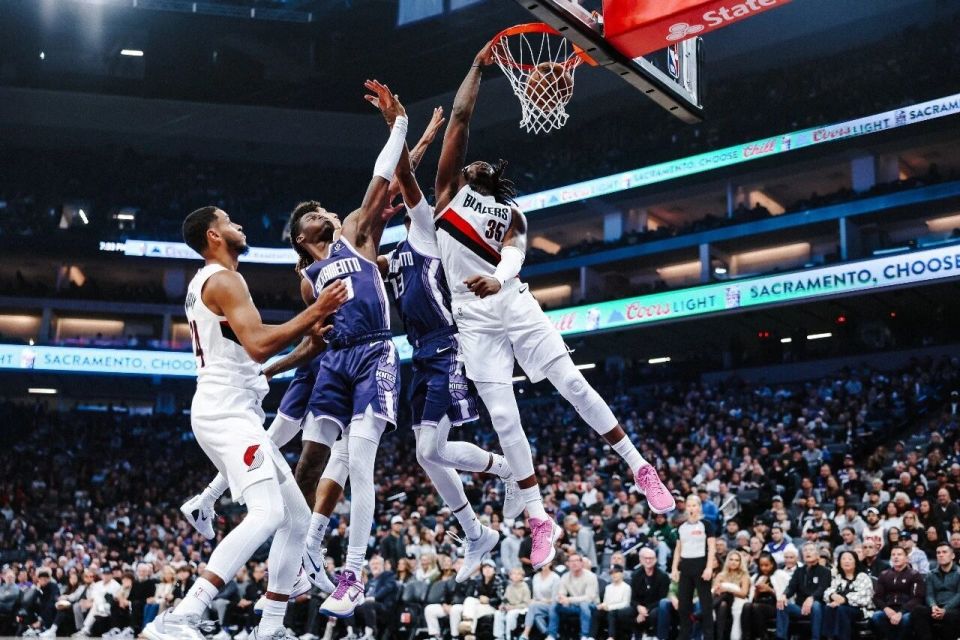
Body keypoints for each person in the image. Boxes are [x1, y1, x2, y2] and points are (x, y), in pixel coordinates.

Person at [432, 41, 675, 569]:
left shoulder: (513, 214)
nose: (473, 160)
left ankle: (639, 467)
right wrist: (476, 66)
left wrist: (498, 279)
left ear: (493, 177)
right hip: (471, 317)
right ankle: (540, 517)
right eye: (469, 160)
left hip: (512, 301)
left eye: (481, 163)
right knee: (504, 418)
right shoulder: (446, 196)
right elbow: (461, 119)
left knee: (573, 384)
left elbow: (515, 255)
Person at [142, 203, 347, 639]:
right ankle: (185, 613)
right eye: (228, 221)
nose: (239, 224)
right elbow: (258, 345)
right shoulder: (224, 279)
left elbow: (254, 349)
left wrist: (306, 347)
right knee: (268, 512)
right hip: (226, 411)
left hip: (233, 409)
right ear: (213, 236)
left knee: (296, 518)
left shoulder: (210, 282)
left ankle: (270, 626)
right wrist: (317, 310)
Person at [282, 81, 411, 619]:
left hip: (375, 353)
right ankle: (297, 553)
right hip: (335, 362)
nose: (324, 211)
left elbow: (382, 177)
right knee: (308, 462)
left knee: (358, 459)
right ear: (301, 235)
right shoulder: (308, 280)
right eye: (313, 212)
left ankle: (353, 572)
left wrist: (399, 125)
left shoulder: (356, 232)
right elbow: (313, 336)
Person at [381, 113, 523, 582]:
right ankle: (476, 533)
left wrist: (402, 128)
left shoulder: (427, 229)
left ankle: (506, 468)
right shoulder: (395, 254)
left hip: (448, 345)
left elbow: (404, 176)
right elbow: (365, 258)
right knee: (427, 454)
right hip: (420, 352)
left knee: (430, 447)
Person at [672, 494, 717, 640]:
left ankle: (708, 636)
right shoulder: (681, 527)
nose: (691, 508)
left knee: (706, 604)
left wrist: (709, 568)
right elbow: (678, 549)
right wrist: (674, 568)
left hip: (701, 565)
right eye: (689, 505)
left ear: (699, 507)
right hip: (685, 566)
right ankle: (684, 636)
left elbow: (712, 548)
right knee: (684, 605)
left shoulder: (706, 525)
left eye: (694, 505)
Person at [776, 542, 830, 640]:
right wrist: (784, 595)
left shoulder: (825, 571)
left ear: (817, 554)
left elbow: (822, 589)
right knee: (782, 604)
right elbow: (791, 587)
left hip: (817, 608)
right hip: (800, 608)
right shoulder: (799, 571)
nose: (807, 552)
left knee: (816, 605)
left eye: (811, 550)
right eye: (805, 550)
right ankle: (781, 638)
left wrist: (812, 598)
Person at [870, 546, 925, 640]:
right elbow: (877, 597)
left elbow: (917, 598)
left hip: (906, 610)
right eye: (893, 555)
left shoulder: (914, 575)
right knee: (876, 616)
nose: (896, 557)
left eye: (899, 554)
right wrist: (886, 608)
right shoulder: (884, 574)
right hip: (888, 609)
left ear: (907, 558)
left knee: (906, 619)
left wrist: (901, 612)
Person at [822, 550, 874, 640]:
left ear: (855, 562)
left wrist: (844, 600)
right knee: (829, 608)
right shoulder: (838, 577)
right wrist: (832, 596)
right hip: (840, 608)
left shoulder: (863, 577)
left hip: (859, 610)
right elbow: (827, 593)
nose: (846, 561)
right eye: (843, 559)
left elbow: (864, 597)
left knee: (841, 610)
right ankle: (829, 637)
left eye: (850, 559)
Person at [912, 542, 960, 640]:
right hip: (936, 608)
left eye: (944, 552)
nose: (941, 555)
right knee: (918, 611)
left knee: (951, 616)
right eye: (938, 553)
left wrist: (945, 609)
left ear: (952, 556)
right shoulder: (931, 574)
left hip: (954, 608)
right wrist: (933, 606)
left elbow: (959, 595)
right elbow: (929, 594)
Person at [546, 554, 598, 640]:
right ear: (568, 564)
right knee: (554, 605)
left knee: (584, 605)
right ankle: (552, 635)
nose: (574, 563)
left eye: (576, 561)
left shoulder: (591, 576)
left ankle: (584, 636)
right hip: (574, 606)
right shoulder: (565, 576)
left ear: (581, 563)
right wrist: (560, 598)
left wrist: (569, 600)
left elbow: (589, 598)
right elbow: (561, 593)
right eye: (571, 561)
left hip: (591, 606)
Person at [741, 552, 788, 640]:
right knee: (746, 606)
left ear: (772, 564)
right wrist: (757, 592)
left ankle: (763, 636)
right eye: (761, 565)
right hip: (758, 604)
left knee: (757, 607)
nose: (763, 568)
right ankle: (746, 637)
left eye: (766, 565)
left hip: (775, 606)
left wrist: (770, 590)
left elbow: (784, 597)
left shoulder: (780, 575)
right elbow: (752, 599)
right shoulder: (756, 577)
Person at [353, 556, 398, 640]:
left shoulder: (388, 575)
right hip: (368, 605)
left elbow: (388, 588)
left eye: (377, 563)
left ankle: (370, 634)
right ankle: (353, 633)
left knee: (368, 604)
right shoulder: (371, 580)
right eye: (373, 564)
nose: (375, 566)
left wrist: (374, 598)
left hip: (384, 607)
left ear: (383, 565)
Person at [632, 547, 670, 639]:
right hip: (640, 606)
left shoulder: (663, 576)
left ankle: (654, 635)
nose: (648, 561)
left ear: (655, 559)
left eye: (651, 558)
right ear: (641, 560)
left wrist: (646, 610)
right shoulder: (635, 575)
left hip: (655, 606)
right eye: (646, 558)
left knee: (654, 613)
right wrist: (638, 607)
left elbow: (663, 598)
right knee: (626, 612)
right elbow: (633, 598)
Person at [712, 550, 750, 640]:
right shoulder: (720, 575)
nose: (733, 562)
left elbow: (744, 594)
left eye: (737, 560)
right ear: (727, 561)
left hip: (737, 603)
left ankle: (707, 609)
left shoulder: (744, 576)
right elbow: (714, 591)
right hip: (722, 603)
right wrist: (718, 590)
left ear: (740, 562)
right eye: (731, 559)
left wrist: (728, 590)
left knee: (726, 594)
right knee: (723, 604)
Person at [520, 562, 560, 639]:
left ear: (550, 563)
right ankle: (549, 635)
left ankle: (525, 634)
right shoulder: (536, 577)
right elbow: (535, 596)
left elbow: (555, 599)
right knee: (537, 616)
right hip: (537, 605)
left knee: (533, 606)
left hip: (552, 606)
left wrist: (540, 601)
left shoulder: (555, 577)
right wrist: (533, 600)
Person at [494, 567, 530, 640]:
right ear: (510, 576)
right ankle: (499, 636)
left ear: (522, 576)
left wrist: (513, 607)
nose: (516, 575)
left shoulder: (524, 587)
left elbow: (526, 603)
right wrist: (502, 605)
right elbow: (505, 600)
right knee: (498, 613)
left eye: (518, 574)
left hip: (520, 608)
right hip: (509, 607)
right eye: (513, 574)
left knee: (511, 614)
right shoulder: (509, 586)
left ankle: (509, 636)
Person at [598, 564, 632, 640]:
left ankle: (611, 637)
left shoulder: (626, 587)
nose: (614, 575)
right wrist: (602, 605)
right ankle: (592, 636)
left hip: (619, 611)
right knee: (596, 611)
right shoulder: (608, 587)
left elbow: (626, 603)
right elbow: (605, 601)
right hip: (608, 609)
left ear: (622, 574)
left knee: (611, 613)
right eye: (612, 573)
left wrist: (609, 607)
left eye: (616, 572)